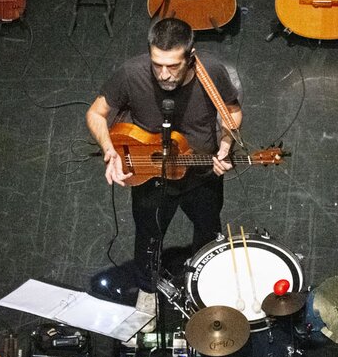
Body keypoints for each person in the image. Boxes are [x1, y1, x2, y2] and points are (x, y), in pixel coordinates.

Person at [85, 17, 242, 324]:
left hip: (200, 171)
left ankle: (207, 282)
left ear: (191, 55)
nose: (164, 74)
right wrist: (109, 150)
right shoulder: (131, 74)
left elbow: (232, 112)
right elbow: (96, 112)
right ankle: (147, 290)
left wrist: (226, 144)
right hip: (152, 172)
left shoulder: (212, 72)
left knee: (207, 229)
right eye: (157, 64)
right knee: (148, 235)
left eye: (173, 66)